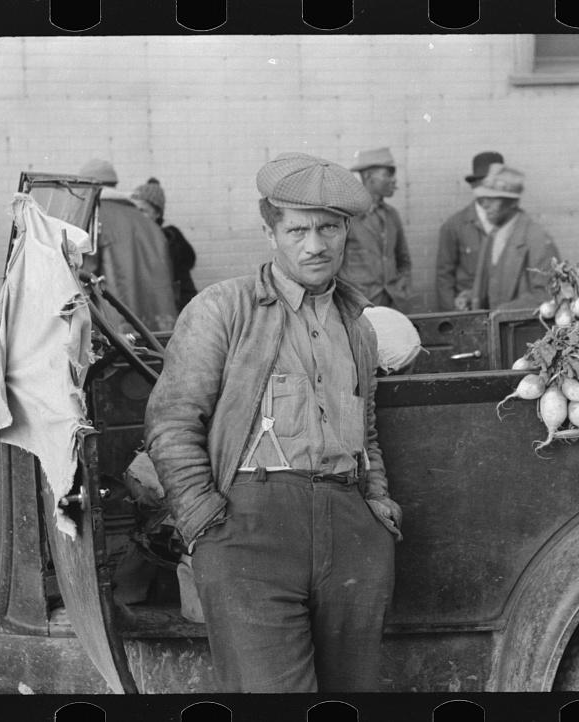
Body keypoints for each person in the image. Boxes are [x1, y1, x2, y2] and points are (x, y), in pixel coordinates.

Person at [144, 152, 403, 693]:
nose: (315, 245)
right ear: (271, 233)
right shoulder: (223, 309)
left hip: (350, 529)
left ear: (346, 230)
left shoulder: (359, 327)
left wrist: (377, 503)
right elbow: (172, 422)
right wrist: (204, 522)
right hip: (250, 530)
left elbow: (367, 431)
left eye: (329, 228)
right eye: (298, 230)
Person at [76, 158, 177, 332]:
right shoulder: (148, 223)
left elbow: (83, 280)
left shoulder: (93, 218)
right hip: (157, 332)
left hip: (114, 332)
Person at [470, 164, 560, 311]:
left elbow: (548, 295)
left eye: (493, 199)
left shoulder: (537, 238)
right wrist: (472, 297)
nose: (485, 205)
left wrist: (503, 312)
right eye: (484, 198)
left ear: (512, 202)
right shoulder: (492, 235)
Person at [339, 147, 413, 312]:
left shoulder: (392, 215)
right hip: (360, 307)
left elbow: (404, 260)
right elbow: (335, 265)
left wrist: (403, 285)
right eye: (388, 174)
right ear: (368, 176)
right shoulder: (348, 216)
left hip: (394, 305)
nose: (394, 180)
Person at [434, 151, 504, 311]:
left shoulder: (514, 225)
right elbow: (444, 278)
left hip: (504, 312)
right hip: (470, 312)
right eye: (485, 183)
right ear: (474, 186)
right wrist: (453, 316)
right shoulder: (455, 226)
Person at [131, 178, 199, 311]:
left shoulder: (169, 241)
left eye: (143, 210)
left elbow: (184, 287)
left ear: (157, 213)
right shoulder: (131, 239)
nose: (137, 216)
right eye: (135, 210)